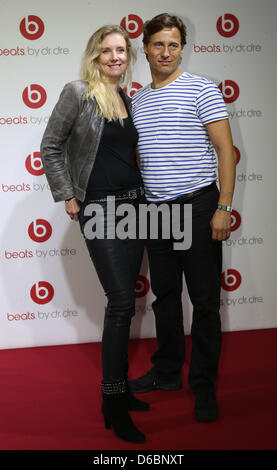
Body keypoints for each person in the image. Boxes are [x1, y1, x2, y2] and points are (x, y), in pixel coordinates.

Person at [40, 25, 148, 443]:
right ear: (94, 54)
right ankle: (113, 400)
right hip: (99, 208)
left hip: (136, 205)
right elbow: (51, 145)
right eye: (107, 51)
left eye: (121, 50)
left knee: (126, 305)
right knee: (120, 301)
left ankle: (118, 392)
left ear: (128, 56)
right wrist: (68, 194)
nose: (115, 57)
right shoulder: (78, 91)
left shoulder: (127, 98)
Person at [129, 13, 236, 422]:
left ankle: (204, 385)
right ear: (146, 49)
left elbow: (225, 150)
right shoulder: (137, 99)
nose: (166, 52)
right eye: (159, 44)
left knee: (205, 302)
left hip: (198, 207)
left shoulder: (201, 89)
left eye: (174, 45)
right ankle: (169, 371)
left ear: (182, 48)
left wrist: (224, 207)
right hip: (156, 212)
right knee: (166, 297)